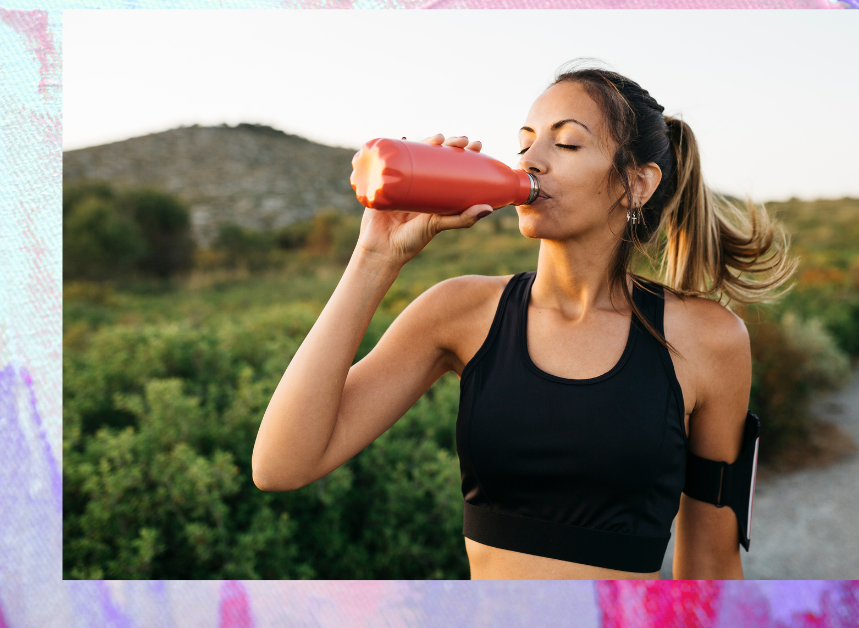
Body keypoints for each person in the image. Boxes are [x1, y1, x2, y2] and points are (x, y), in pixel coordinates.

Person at [251, 64, 797, 580]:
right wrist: (375, 256)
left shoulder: (707, 339)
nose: (530, 161)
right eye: (525, 142)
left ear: (637, 184)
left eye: (566, 143)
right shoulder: (460, 312)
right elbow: (281, 466)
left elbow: (711, 562)